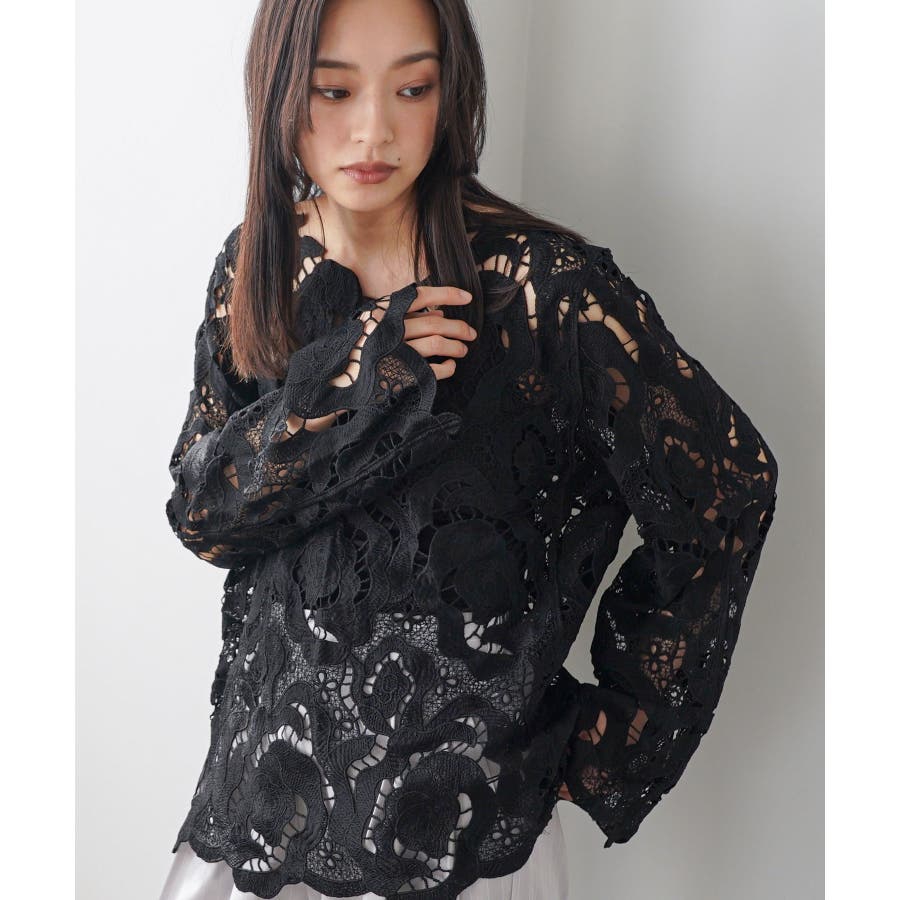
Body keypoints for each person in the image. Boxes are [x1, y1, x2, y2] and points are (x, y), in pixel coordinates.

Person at [159, 1, 780, 898]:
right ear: (280, 89)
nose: (374, 129)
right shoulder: (259, 265)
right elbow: (205, 516)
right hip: (259, 816)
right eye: (334, 91)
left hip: (460, 843)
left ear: (451, 91)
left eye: (412, 88)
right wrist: (354, 377)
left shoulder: (545, 294)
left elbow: (725, 491)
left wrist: (615, 736)